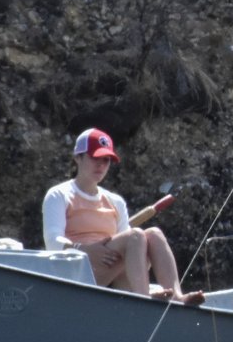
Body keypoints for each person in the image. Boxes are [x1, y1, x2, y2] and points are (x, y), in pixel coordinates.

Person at [42, 128, 205, 305]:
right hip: (77, 273)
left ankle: (177, 296)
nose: (101, 165)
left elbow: (133, 246)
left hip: (113, 274)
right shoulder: (59, 194)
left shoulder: (115, 201)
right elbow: (53, 241)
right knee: (135, 235)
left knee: (153, 234)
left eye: (106, 160)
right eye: (94, 158)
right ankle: (143, 299)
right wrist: (85, 249)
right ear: (77, 158)